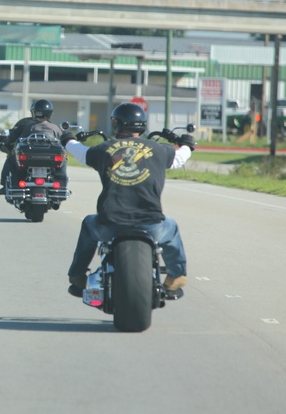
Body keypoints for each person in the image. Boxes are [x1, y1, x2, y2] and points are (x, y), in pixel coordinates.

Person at [61, 102, 195, 298]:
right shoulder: (159, 149)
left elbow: (79, 152)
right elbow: (181, 157)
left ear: (116, 124)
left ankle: (77, 276)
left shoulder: (104, 149)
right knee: (171, 226)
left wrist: (67, 139)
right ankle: (176, 276)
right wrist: (188, 143)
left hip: (110, 223)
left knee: (89, 223)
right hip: (151, 223)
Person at [0, 99, 64, 195]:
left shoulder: (29, 126)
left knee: (11, 159)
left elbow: (20, 139)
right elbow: (64, 140)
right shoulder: (55, 128)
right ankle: (62, 186)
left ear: (34, 112)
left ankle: (5, 186)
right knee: (63, 161)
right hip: (50, 159)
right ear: (50, 113)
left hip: (30, 157)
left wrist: (8, 144)